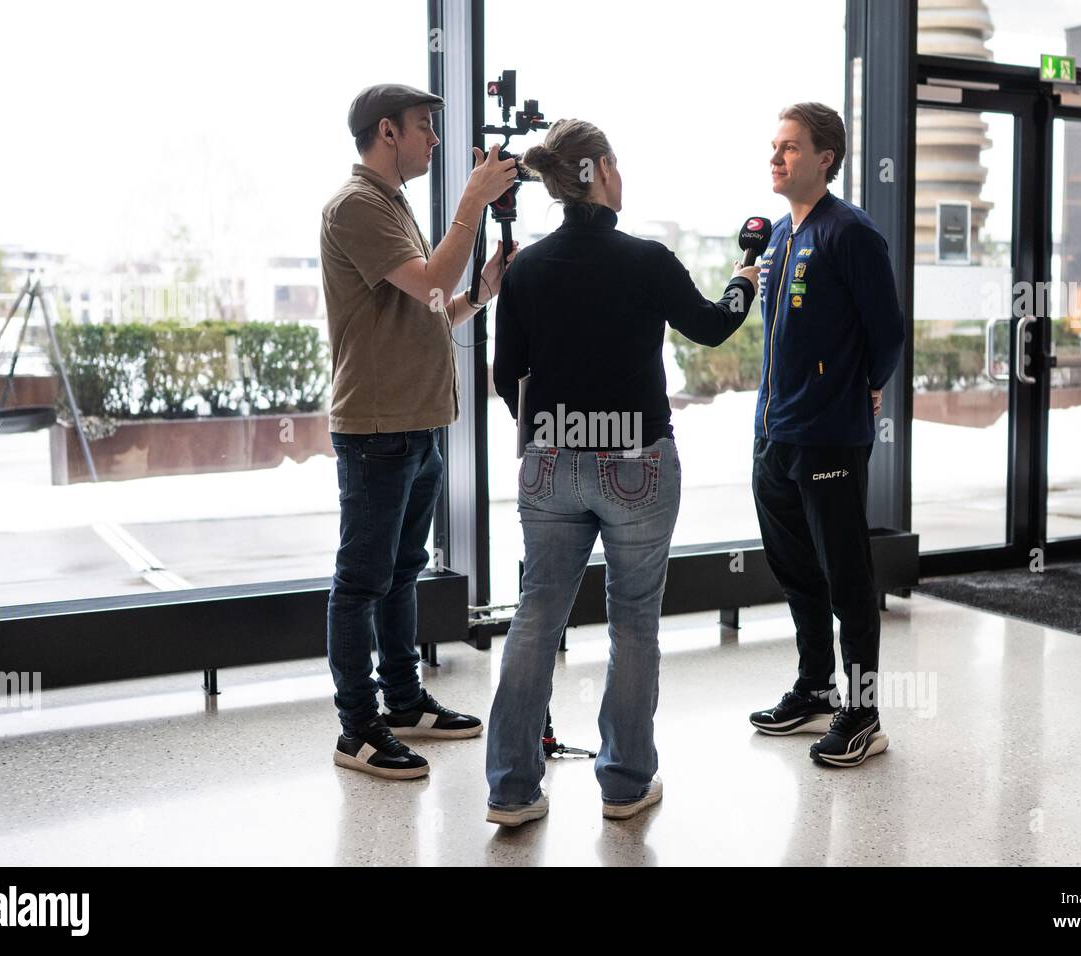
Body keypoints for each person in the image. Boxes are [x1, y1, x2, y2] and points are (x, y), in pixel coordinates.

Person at [485, 118, 760, 826]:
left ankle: (512, 790)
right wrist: (743, 282)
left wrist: (553, 421)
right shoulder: (646, 259)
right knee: (632, 624)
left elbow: (503, 375)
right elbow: (710, 327)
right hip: (636, 462)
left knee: (536, 616)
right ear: (602, 170)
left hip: (548, 461)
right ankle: (624, 785)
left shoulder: (526, 269)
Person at [321, 82, 518, 780]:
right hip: (378, 428)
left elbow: (430, 305)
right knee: (362, 581)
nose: (434, 140)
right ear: (386, 133)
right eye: (423, 128)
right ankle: (359, 729)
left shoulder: (391, 205)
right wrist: (472, 200)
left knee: (403, 571)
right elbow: (433, 279)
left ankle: (403, 704)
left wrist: (481, 294)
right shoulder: (354, 207)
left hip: (418, 424)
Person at [747, 102, 905, 768]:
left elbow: (888, 332)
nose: (776, 158)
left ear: (825, 158)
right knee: (797, 571)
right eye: (773, 147)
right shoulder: (780, 237)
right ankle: (815, 688)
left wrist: (861, 385)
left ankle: (862, 711)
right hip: (774, 435)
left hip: (830, 438)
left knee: (848, 579)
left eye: (790, 147)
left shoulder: (851, 234)